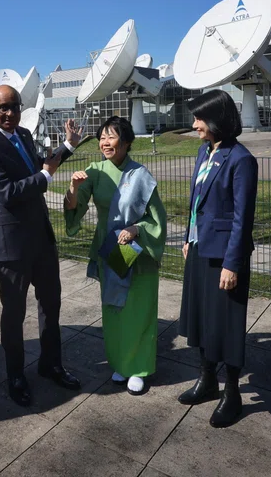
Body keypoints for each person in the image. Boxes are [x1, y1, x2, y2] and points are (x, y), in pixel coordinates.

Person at [0, 85, 84, 406]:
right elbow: (5, 192)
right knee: (14, 314)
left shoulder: (22, 134)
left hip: (41, 239)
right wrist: (45, 177)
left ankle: (51, 364)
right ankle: (16, 375)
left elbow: (38, 165)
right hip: (11, 246)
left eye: (14, 107)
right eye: (2, 108)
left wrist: (68, 146)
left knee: (51, 306)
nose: (9, 114)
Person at [63, 116, 167, 395]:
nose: (105, 142)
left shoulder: (140, 175)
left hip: (139, 254)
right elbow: (74, 208)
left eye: (111, 136)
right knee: (114, 311)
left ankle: (139, 368)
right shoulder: (95, 171)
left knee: (139, 312)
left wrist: (136, 229)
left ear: (127, 142)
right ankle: (121, 363)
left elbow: (157, 219)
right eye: (102, 137)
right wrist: (73, 188)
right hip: (111, 252)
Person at [177, 89, 258, 429]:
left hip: (224, 256)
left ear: (217, 119)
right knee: (201, 318)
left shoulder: (240, 160)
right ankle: (207, 379)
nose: (195, 124)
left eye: (200, 118)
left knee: (226, 324)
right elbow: (196, 199)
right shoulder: (205, 151)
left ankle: (232, 393)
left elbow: (242, 218)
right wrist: (187, 237)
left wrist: (232, 263)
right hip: (200, 248)